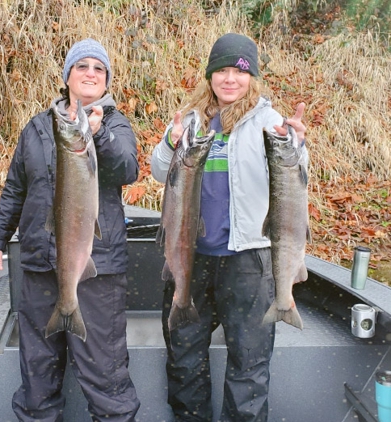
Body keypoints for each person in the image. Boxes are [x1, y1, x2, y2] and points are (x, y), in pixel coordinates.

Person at [151, 33, 307, 422]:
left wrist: (298, 146)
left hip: (248, 260)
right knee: (185, 359)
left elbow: (295, 176)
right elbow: (158, 172)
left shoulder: (269, 122)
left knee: (248, 365)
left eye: (238, 72)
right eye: (221, 71)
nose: (229, 80)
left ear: (251, 77)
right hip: (190, 256)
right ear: (210, 76)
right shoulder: (190, 119)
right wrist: (169, 143)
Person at [0, 38, 140, 422]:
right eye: (81, 66)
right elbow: (16, 189)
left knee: (105, 377)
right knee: (37, 378)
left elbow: (127, 169)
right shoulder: (38, 127)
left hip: (95, 269)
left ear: (106, 82)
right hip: (39, 266)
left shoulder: (115, 124)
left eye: (98, 69)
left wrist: (98, 134)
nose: (90, 73)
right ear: (67, 76)